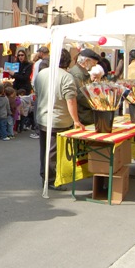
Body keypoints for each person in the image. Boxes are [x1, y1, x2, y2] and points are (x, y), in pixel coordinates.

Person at [35, 48, 83, 189]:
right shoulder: (66, 76)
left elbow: (37, 92)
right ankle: (50, 180)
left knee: (45, 149)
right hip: (58, 119)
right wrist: (76, 120)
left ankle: (45, 175)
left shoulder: (42, 73)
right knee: (53, 151)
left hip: (43, 116)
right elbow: (71, 100)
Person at [68, 48, 98, 126]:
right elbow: (80, 96)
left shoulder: (82, 72)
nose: (94, 65)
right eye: (94, 63)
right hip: (82, 115)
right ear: (86, 61)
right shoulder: (78, 74)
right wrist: (95, 103)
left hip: (84, 114)